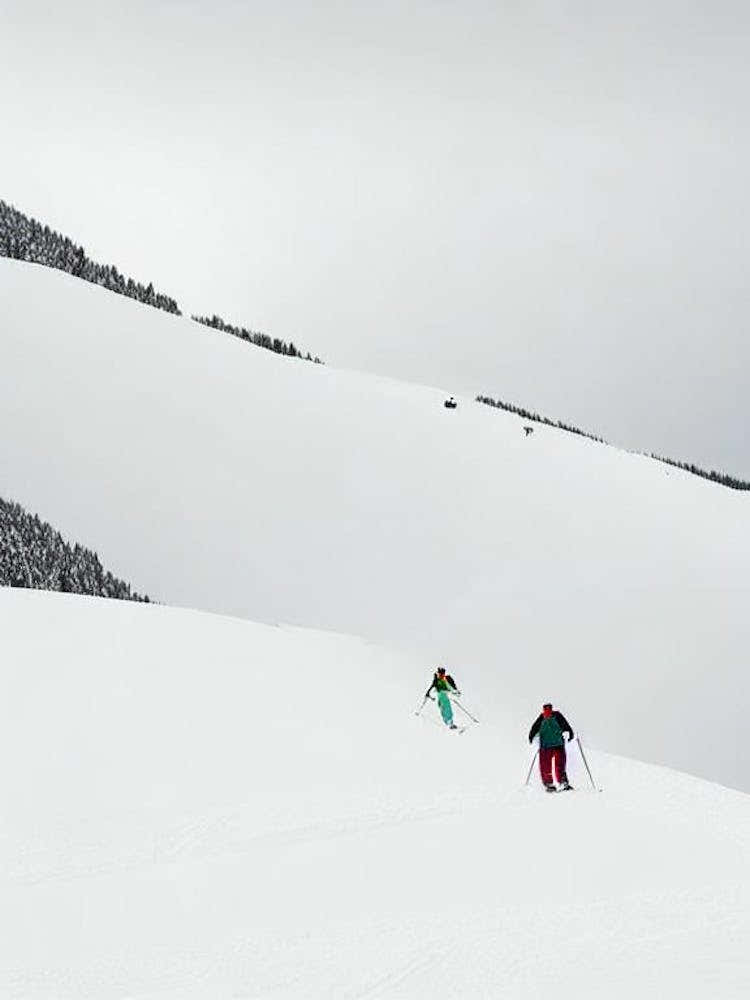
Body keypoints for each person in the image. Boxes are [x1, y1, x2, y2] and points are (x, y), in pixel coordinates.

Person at [528, 703, 574, 792]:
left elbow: (565, 726)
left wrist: (569, 733)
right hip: (548, 745)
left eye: (549, 708)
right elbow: (533, 730)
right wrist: (533, 739)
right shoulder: (543, 718)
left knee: (557, 764)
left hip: (555, 744)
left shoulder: (556, 716)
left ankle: (559, 783)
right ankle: (552, 783)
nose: (547, 711)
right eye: (546, 709)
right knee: (548, 765)